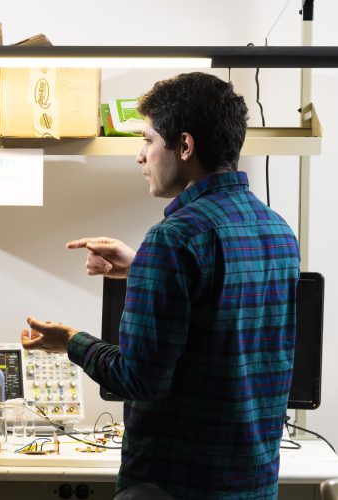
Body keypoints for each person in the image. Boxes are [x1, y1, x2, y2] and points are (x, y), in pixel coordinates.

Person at [22, 72, 300, 499]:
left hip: (173, 485)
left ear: (184, 146)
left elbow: (139, 379)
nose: (140, 156)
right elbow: (220, 314)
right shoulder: (276, 229)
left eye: (148, 140)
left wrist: (70, 341)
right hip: (253, 483)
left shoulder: (174, 237)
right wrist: (143, 268)